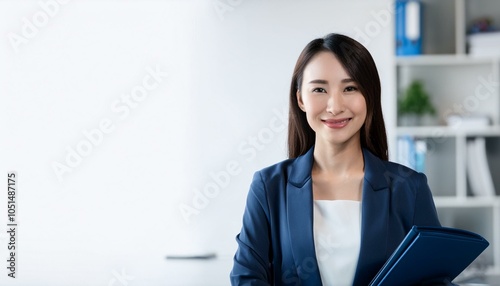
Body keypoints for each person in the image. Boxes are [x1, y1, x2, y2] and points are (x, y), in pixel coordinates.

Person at [230, 33, 441, 285]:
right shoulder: (269, 186)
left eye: (350, 88)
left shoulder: (409, 187)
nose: (335, 106)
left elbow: (434, 278)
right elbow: (247, 278)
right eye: (319, 89)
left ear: (369, 97)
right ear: (300, 99)